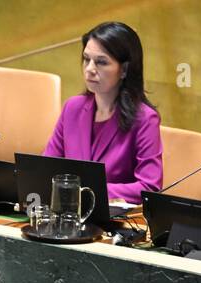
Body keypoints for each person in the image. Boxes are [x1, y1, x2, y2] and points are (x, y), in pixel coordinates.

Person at [43, 22, 162, 203]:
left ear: (124, 70)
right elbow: (46, 168)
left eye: (101, 62)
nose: (90, 69)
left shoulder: (145, 119)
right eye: (86, 59)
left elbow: (149, 187)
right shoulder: (72, 108)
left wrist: (85, 191)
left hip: (114, 222)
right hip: (67, 217)